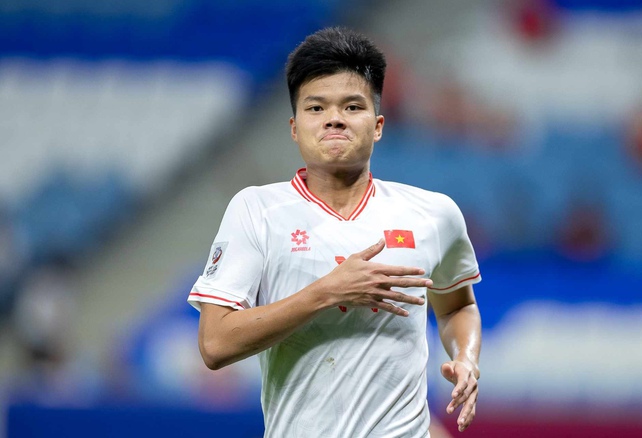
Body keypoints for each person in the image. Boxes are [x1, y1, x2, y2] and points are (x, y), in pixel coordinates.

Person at [188, 27, 482, 437]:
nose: (334, 118)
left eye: (352, 106)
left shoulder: (434, 214)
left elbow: (455, 307)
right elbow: (215, 344)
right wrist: (328, 292)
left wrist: (466, 357)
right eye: (316, 107)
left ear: (377, 125)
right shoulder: (257, 211)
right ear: (295, 127)